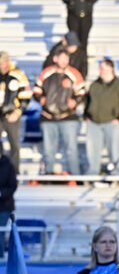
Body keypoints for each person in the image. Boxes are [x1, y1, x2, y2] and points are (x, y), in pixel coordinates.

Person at [34, 47, 85, 178]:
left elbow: (82, 92)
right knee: (49, 150)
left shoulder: (74, 73)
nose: (63, 61)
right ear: (55, 58)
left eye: (66, 59)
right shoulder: (46, 72)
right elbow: (36, 91)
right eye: (61, 58)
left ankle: (75, 177)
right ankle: (49, 175)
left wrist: (74, 101)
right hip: (48, 117)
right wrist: (42, 99)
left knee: (71, 149)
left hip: (67, 117)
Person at [84, 58, 119, 177]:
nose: (101, 71)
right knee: (93, 150)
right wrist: (87, 115)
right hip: (94, 122)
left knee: (114, 149)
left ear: (111, 69)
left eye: (103, 68)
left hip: (112, 122)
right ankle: (93, 173)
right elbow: (87, 101)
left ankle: (116, 172)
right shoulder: (95, 85)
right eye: (100, 68)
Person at [0, 52, 32, 173]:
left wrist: (17, 112)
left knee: (14, 146)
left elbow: (26, 96)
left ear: (8, 61)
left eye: (2, 63)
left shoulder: (18, 75)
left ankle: (14, 173)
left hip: (12, 115)